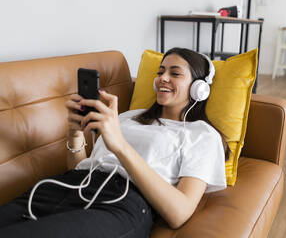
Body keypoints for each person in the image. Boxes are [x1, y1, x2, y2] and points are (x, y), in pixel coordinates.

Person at [0, 47, 230, 238]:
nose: (163, 78)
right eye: (160, 71)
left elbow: (179, 213)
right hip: (65, 186)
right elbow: (81, 169)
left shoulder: (202, 135)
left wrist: (120, 145)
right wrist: (74, 132)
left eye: (175, 73)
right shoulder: (128, 117)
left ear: (199, 88)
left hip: (120, 203)